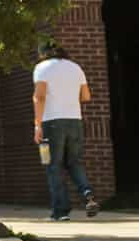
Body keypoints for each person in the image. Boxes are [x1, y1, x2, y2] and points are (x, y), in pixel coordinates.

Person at [32, 40, 98, 221]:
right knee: (74, 163)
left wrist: (37, 124)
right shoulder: (75, 68)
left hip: (51, 122)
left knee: (53, 166)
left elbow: (39, 96)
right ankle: (88, 194)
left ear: (43, 53)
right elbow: (86, 96)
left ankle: (60, 212)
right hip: (75, 121)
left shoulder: (42, 68)